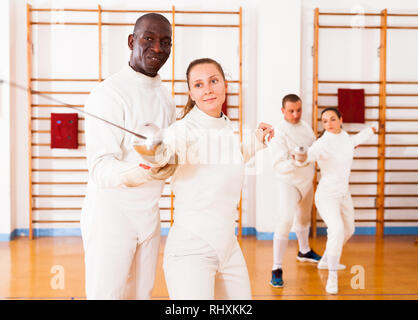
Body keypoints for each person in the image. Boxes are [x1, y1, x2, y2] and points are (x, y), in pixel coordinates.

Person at [148, 58, 273, 299]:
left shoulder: (225, 126)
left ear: (225, 85)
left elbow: (226, 160)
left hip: (228, 246)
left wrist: (256, 140)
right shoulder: (182, 130)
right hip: (191, 250)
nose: (207, 89)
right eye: (199, 85)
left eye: (213, 81)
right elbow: (170, 153)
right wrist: (163, 156)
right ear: (191, 93)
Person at [80, 13, 176, 299]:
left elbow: (163, 151)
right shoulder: (108, 94)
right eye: (149, 39)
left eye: (165, 42)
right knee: (107, 295)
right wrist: (138, 173)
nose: (157, 48)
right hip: (111, 215)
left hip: (149, 214)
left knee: (142, 294)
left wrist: (168, 163)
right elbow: (100, 167)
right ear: (132, 41)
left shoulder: (166, 98)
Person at [294, 107, 376, 294]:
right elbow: (309, 156)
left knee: (349, 230)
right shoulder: (322, 144)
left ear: (341, 119)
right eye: (325, 121)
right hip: (326, 195)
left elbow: (357, 139)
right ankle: (332, 277)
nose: (328, 124)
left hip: (344, 194)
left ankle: (325, 261)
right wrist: (300, 158)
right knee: (337, 229)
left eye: (332, 119)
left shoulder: (346, 139)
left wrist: (372, 129)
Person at [267, 94, 322, 288]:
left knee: (304, 218)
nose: (296, 114)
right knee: (285, 220)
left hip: (307, 182)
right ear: (283, 111)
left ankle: (304, 251)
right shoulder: (277, 133)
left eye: (299, 110)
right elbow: (278, 165)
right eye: (291, 111)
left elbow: (315, 148)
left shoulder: (306, 127)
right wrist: (295, 161)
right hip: (288, 182)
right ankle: (276, 268)